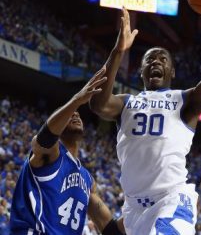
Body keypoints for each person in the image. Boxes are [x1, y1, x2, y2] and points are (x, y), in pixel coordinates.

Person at [90, 5, 201, 235]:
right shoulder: (126, 102)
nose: (156, 61)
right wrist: (118, 51)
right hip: (134, 209)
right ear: (141, 72)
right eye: (149, 59)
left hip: (172, 199)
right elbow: (98, 104)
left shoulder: (185, 100)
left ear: (172, 72)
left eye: (162, 59)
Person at [10, 68, 125, 235]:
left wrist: (145, 209)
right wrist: (76, 101)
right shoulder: (51, 153)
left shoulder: (87, 180)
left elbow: (111, 229)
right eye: (70, 115)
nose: (75, 115)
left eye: (78, 114)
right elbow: (44, 139)